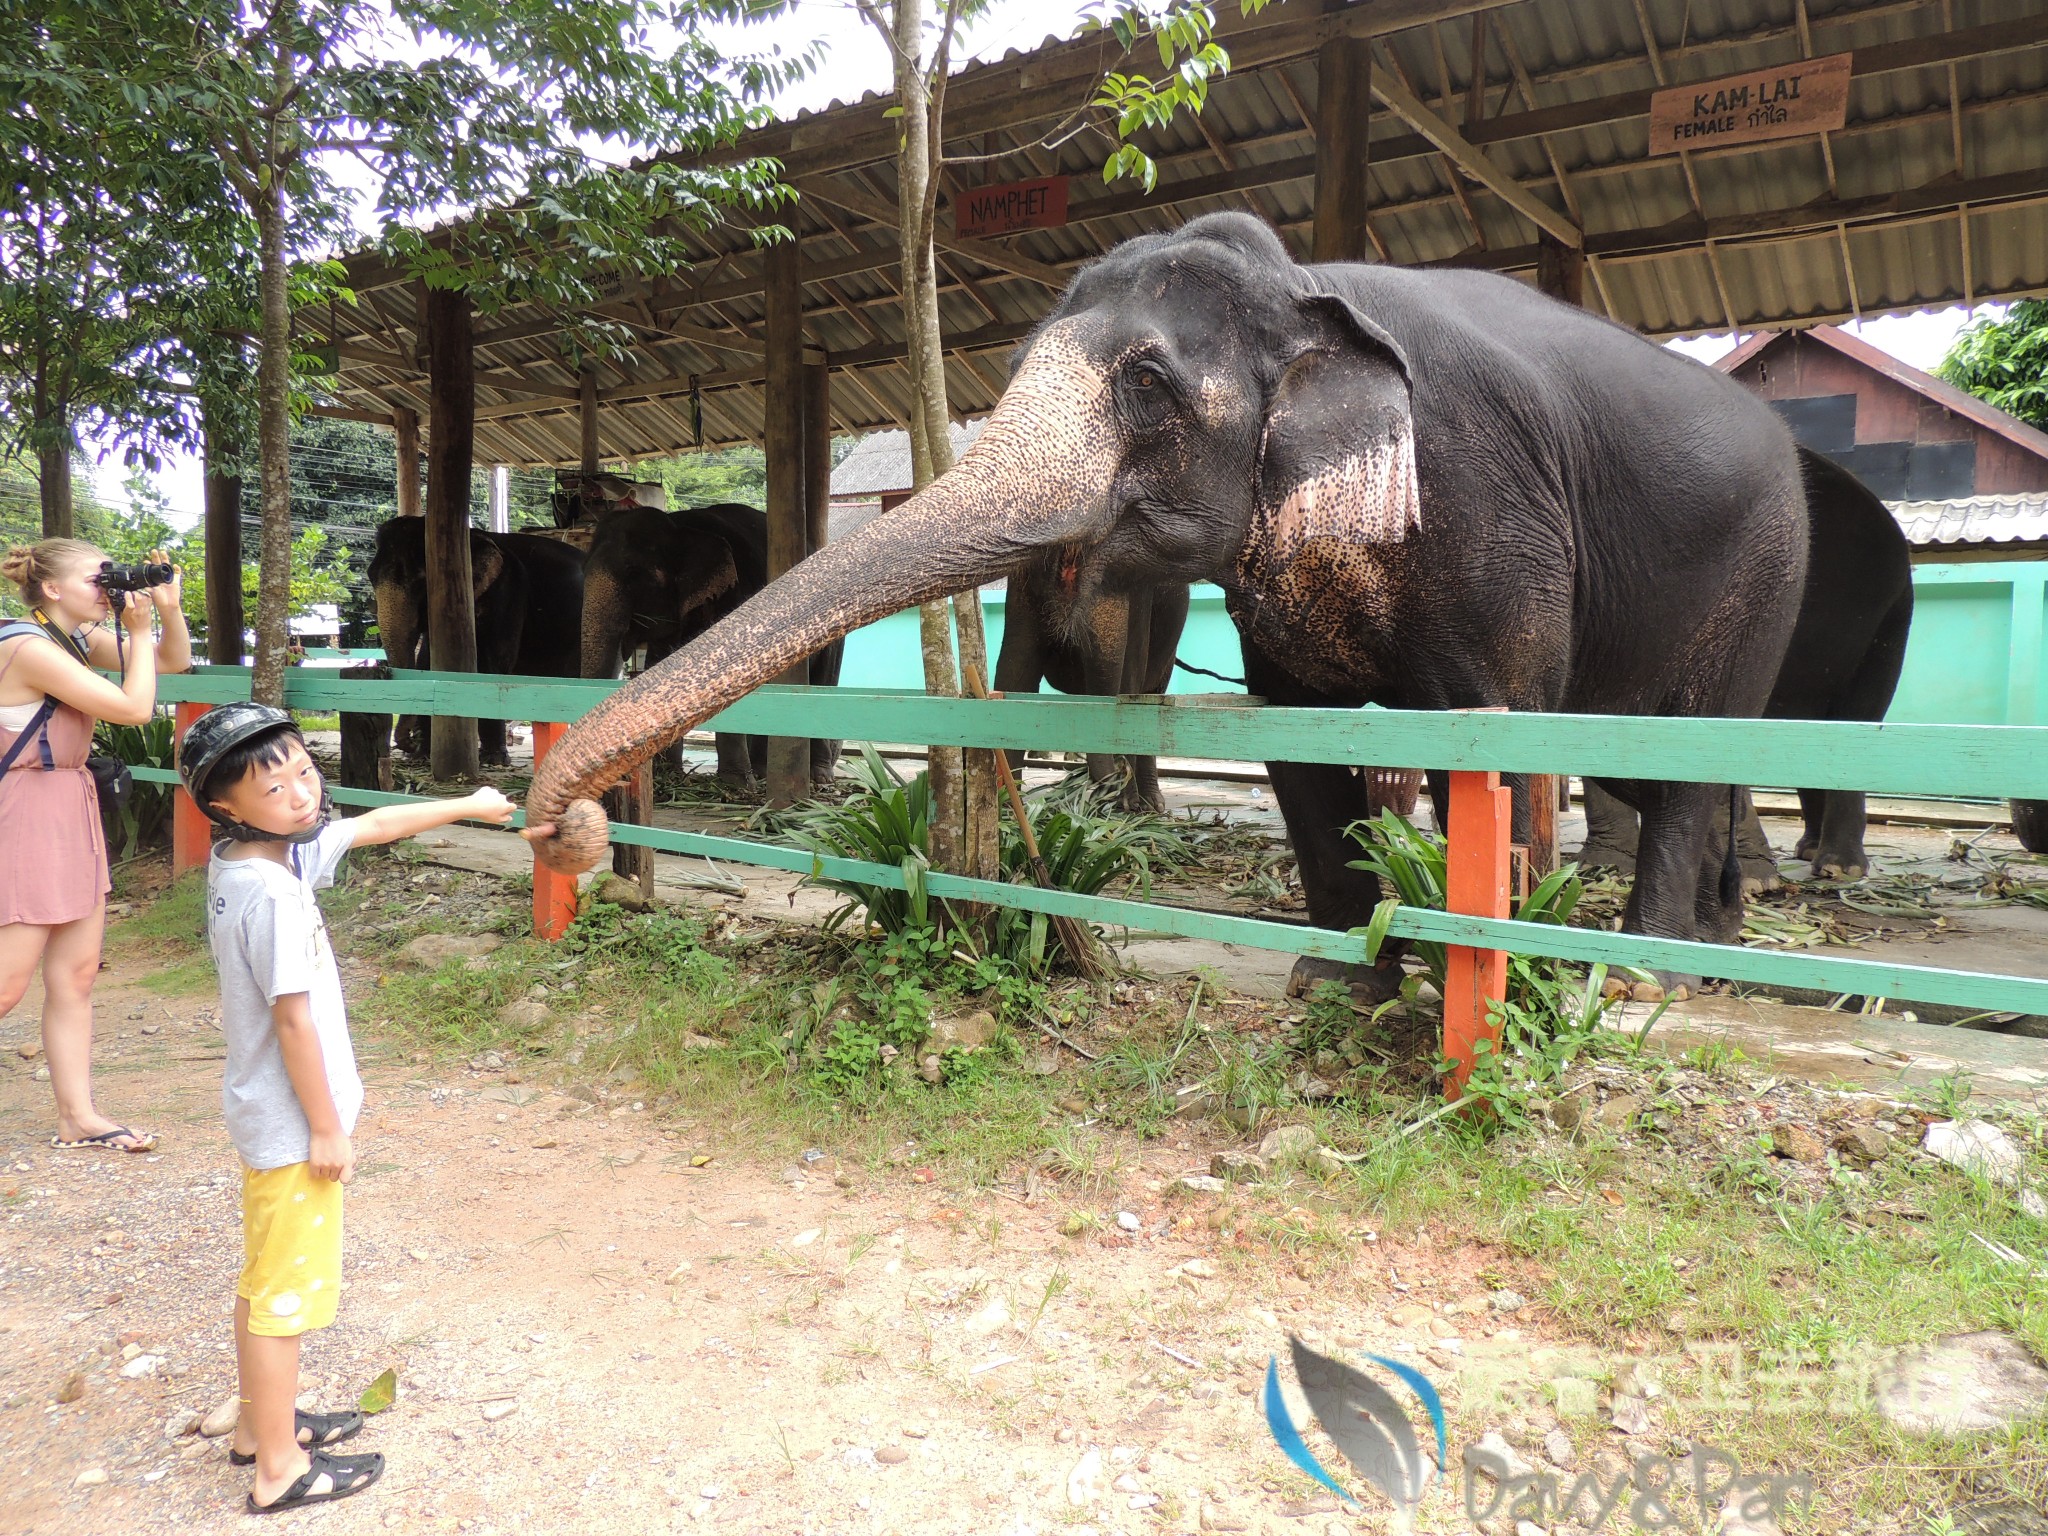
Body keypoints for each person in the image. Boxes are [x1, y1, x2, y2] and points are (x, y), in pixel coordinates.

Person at [177, 703, 540, 1514]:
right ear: (227, 805)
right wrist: (328, 1128)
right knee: (284, 1296)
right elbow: (293, 1018)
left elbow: (374, 826)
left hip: (265, 1118)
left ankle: (256, 1429)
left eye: (304, 770)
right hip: (294, 1129)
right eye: (274, 786)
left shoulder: (251, 860)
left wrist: (470, 806)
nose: (301, 793)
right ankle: (279, 1469)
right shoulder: (273, 894)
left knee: (261, 1279)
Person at [0, 539, 190, 1152]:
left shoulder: (74, 640)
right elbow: (138, 708)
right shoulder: (26, 647)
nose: (109, 587)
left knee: (76, 976)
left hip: (70, 805)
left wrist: (166, 608)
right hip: (22, 811)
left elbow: (173, 663)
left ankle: (77, 1115)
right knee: (6, 986)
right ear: (51, 588)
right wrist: (133, 625)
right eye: (98, 577)